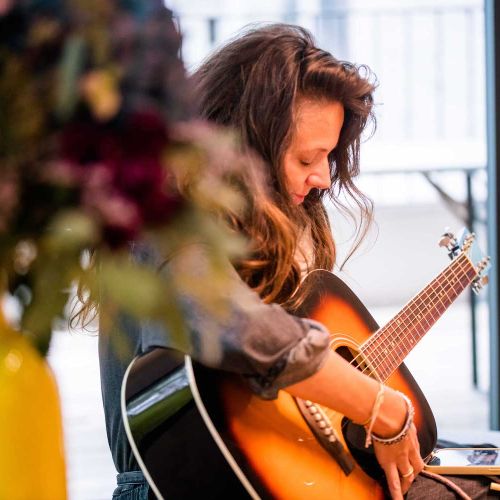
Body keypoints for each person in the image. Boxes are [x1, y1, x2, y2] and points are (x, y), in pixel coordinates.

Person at [98, 22, 494, 500]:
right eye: (307, 159)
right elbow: (240, 326)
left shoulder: (265, 224)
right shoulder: (164, 223)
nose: (324, 177)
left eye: (328, 157)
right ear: (246, 147)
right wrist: (382, 407)